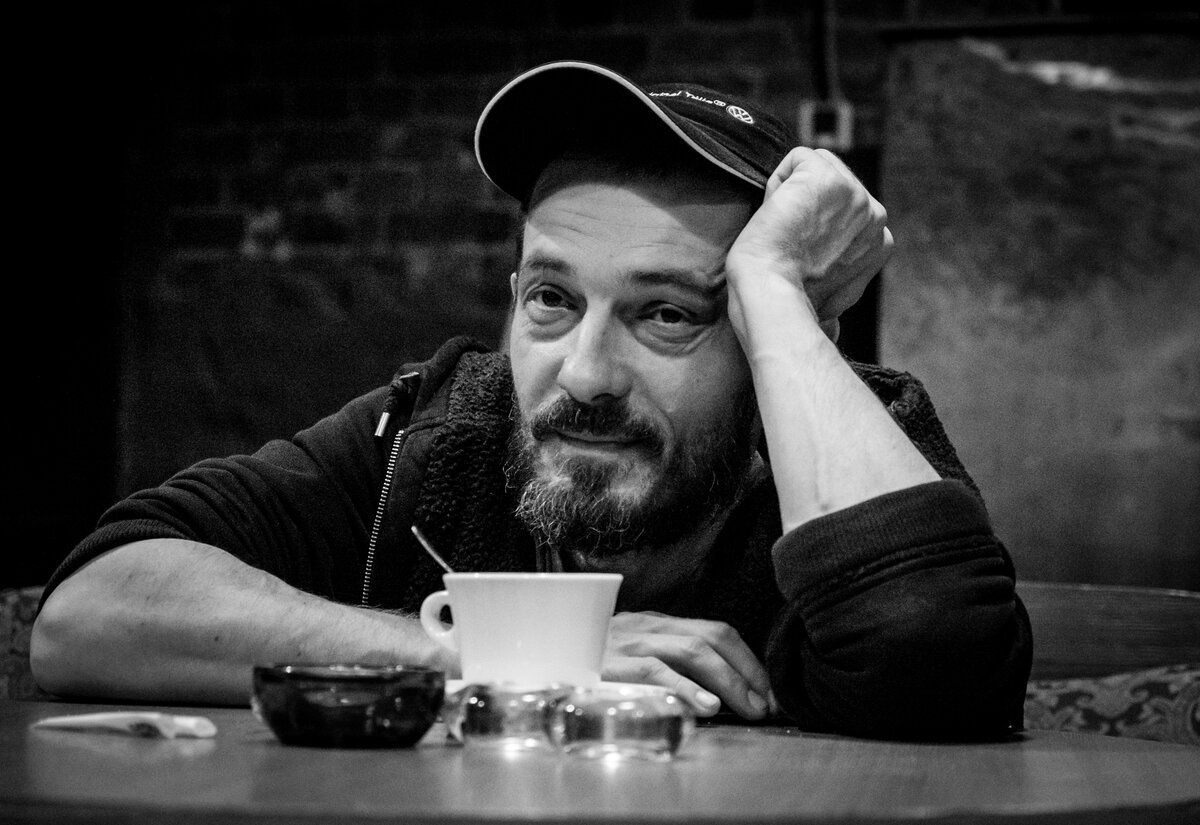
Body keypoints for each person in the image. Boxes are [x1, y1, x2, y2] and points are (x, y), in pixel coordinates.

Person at [32, 61, 1031, 740]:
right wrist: (510, 655)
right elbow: (89, 611)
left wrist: (774, 287)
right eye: (552, 300)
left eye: (669, 314)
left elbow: (937, 664)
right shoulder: (447, 432)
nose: (585, 375)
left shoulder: (852, 442)